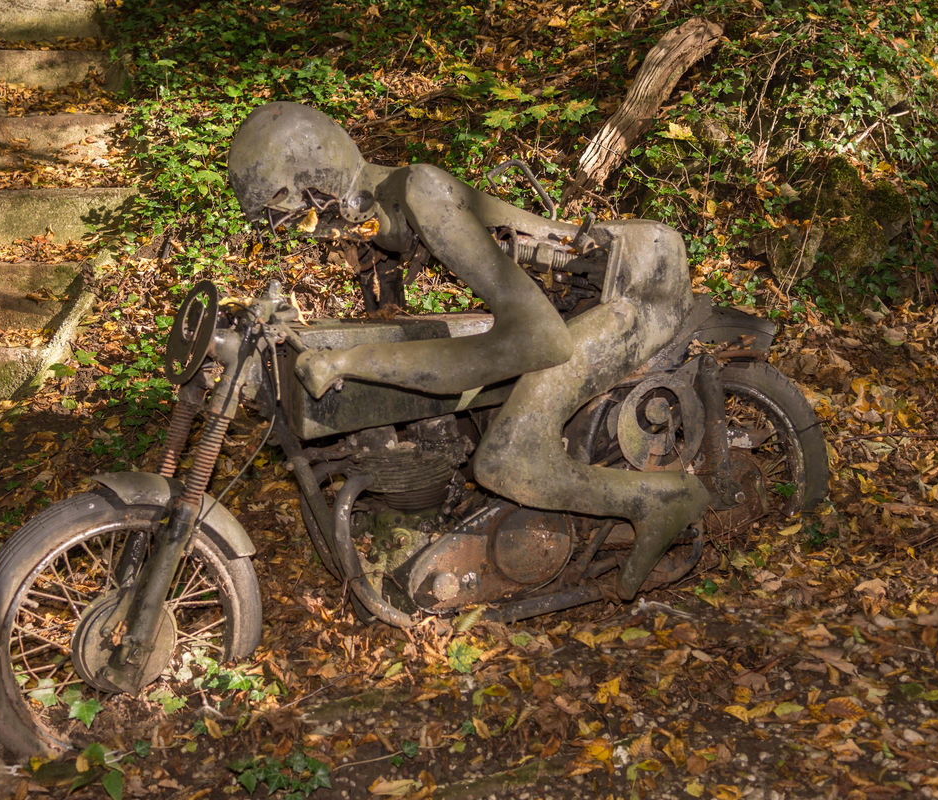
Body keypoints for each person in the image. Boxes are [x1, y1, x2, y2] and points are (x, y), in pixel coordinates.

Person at [226, 102, 709, 598]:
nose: (317, 231)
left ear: (323, 183)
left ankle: (660, 500)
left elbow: (538, 339)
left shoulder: (418, 192)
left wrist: (349, 361)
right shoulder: (372, 218)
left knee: (507, 458)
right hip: (584, 296)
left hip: (636, 287)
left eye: (310, 215)